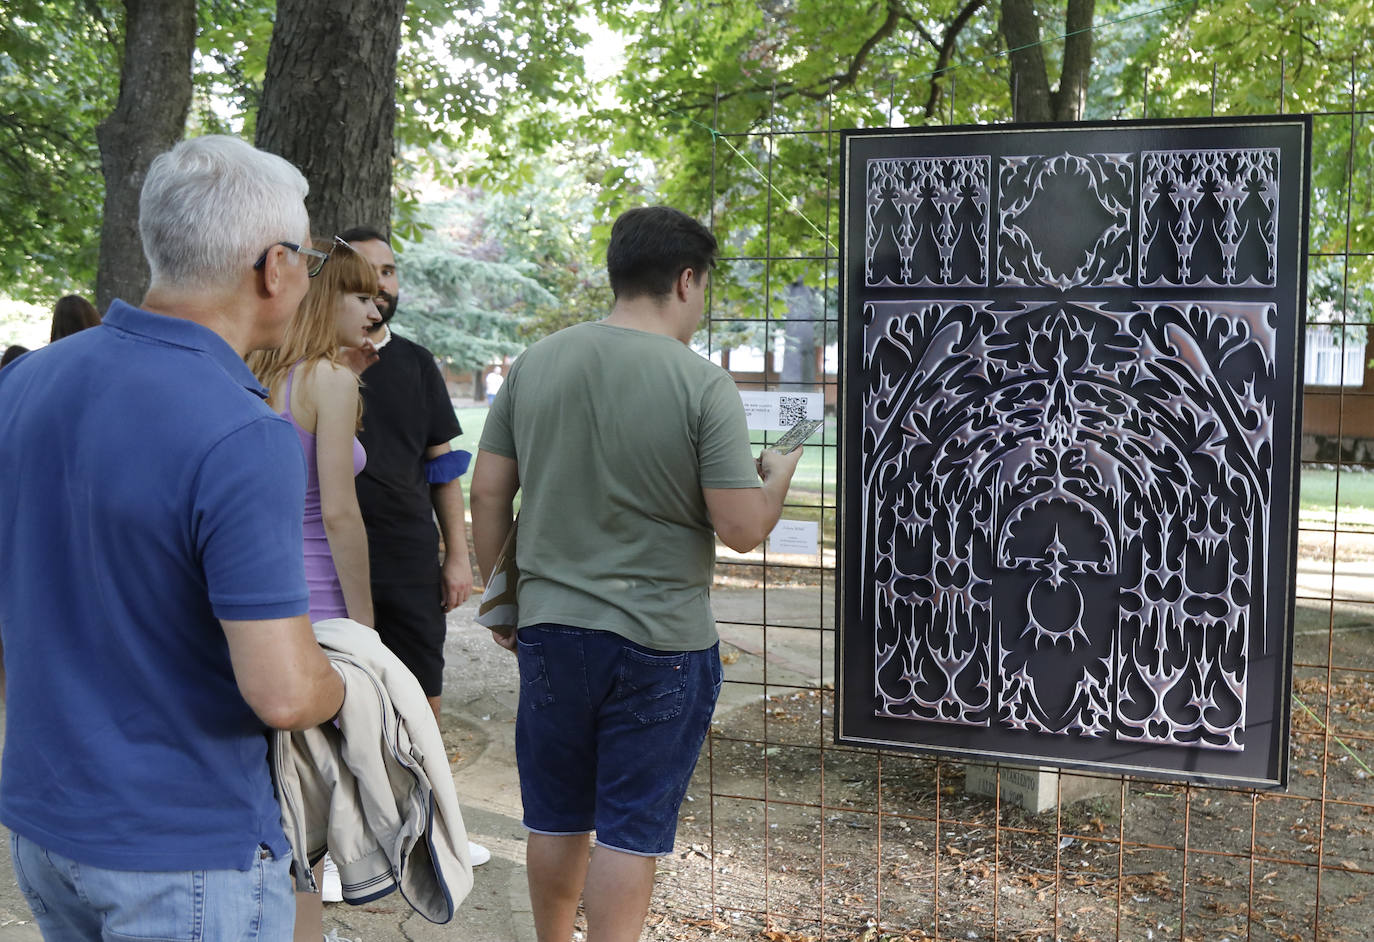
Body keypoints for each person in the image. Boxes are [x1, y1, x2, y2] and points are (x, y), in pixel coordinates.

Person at [0, 134, 344, 940]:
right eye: (307, 259)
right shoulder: (243, 433)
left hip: (46, 825)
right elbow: (286, 693)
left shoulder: (22, 385)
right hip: (182, 848)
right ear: (273, 267)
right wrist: (350, 683)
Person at [469, 205, 803, 942]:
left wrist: (501, 595)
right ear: (687, 280)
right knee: (629, 831)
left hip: (554, 631)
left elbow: (488, 493)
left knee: (555, 815)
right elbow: (743, 528)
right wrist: (775, 476)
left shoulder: (536, 363)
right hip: (663, 640)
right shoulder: (702, 384)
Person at [338, 225, 490, 868]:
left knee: (420, 693)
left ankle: (430, 831)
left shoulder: (417, 362)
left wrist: (457, 554)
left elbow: (443, 468)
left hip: (405, 555)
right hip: (324, 557)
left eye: (390, 272)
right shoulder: (302, 359)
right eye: (367, 272)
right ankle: (347, 846)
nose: (381, 284)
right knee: (341, 696)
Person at [247, 236, 381, 924]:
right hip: (322, 615)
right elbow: (338, 512)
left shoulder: (253, 371)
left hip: (252, 606)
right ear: (326, 295)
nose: (375, 307)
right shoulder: (331, 380)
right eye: (361, 293)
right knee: (308, 827)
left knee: (265, 809)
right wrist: (367, 629)